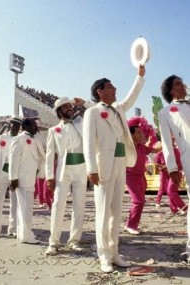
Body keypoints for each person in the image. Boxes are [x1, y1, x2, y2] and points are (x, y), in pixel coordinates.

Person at [83, 65, 146, 272]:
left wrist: (139, 76)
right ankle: (103, 256)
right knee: (102, 211)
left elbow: (131, 96)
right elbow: (89, 143)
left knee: (116, 211)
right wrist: (91, 168)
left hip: (120, 163)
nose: (115, 89)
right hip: (103, 168)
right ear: (100, 91)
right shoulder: (92, 113)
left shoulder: (119, 109)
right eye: (110, 87)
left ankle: (114, 252)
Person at [45, 97, 95, 255]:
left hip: (81, 169)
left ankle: (74, 240)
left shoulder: (82, 123)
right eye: (65, 107)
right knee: (58, 205)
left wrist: (84, 103)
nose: (69, 108)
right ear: (59, 111)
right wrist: (49, 177)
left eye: (70, 106)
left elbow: (97, 111)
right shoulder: (53, 130)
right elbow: (49, 155)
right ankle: (53, 242)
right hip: (63, 171)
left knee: (79, 206)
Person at [158, 75, 190, 257]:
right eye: (178, 84)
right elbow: (166, 143)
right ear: (170, 90)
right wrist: (172, 168)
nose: (183, 85)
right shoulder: (165, 112)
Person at [9, 118, 46, 244]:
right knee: (26, 208)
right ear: (27, 126)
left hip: (31, 177)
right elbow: (13, 159)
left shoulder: (36, 138)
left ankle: (22, 234)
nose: (36, 127)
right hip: (22, 178)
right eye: (35, 125)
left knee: (24, 208)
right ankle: (27, 235)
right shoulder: (19, 139)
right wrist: (13, 178)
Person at [124, 120, 161, 235]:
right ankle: (131, 225)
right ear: (131, 134)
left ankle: (129, 223)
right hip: (130, 177)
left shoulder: (141, 147)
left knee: (140, 201)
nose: (141, 134)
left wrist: (167, 140)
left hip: (141, 176)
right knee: (138, 201)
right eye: (138, 132)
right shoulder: (126, 146)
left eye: (141, 132)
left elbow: (155, 150)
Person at [0, 115, 23, 238]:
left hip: (15, 173)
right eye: (14, 125)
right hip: (1, 172)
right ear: (9, 125)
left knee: (14, 202)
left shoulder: (21, 139)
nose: (16, 127)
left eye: (18, 126)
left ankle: (13, 228)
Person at [154, 141, 186, 214]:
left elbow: (180, 164)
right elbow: (156, 164)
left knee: (171, 190)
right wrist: (162, 167)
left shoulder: (176, 151)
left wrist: (170, 167)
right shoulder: (160, 153)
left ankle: (182, 206)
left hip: (175, 173)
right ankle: (174, 208)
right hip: (164, 173)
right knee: (165, 189)